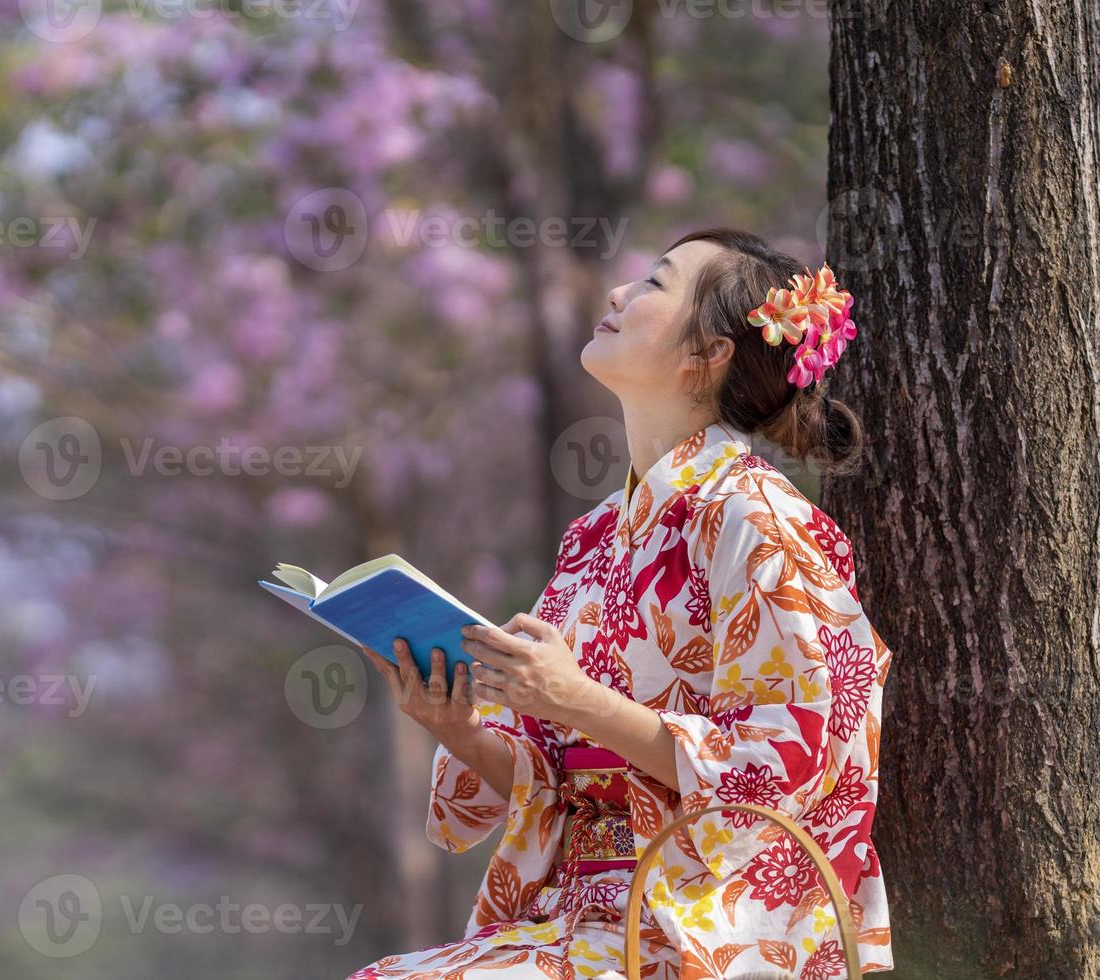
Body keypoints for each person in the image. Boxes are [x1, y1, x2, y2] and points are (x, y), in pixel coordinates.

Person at [348, 229, 893, 979]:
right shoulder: (596, 535)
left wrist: (576, 701)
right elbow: (547, 773)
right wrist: (459, 728)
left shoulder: (761, 522)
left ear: (708, 355)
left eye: (653, 284)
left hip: (701, 930)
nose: (616, 294)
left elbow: (786, 763)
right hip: (579, 919)